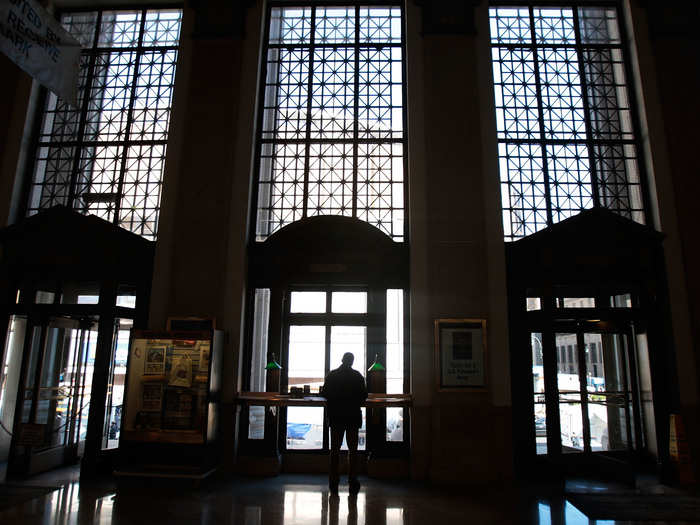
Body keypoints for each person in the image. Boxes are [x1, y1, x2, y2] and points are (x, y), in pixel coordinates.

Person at [322, 352, 367, 494]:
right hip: (352, 417)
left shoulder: (332, 375)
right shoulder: (358, 376)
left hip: (336, 417)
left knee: (334, 450)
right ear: (352, 362)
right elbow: (363, 396)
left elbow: (325, 393)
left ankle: (333, 481)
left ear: (342, 360)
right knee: (353, 451)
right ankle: (353, 480)